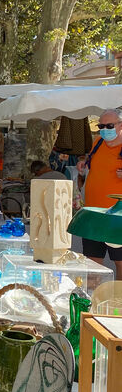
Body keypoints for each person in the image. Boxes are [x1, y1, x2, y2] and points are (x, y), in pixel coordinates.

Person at [77, 108, 122, 277]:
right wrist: (83, 162)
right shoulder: (98, 142)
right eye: (100, 125)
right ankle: (91, 298)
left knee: (120, 261)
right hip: (93, 214)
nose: (104, 129)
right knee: (91, 260)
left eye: (109, 125)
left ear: (120, 125)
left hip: (118, 217)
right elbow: (91, 160)